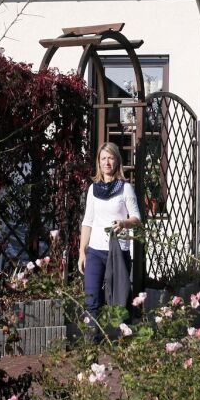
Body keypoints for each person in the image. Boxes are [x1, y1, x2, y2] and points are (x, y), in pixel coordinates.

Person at [78, 142, 140, 339]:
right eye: (103, 158)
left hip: (118, 252)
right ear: (99, 162)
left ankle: (125, 342)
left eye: (110, 158)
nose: (107, 162)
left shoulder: (126, 189)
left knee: (119, 299)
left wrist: (123, 223)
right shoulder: (93, 189)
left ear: (117, 161)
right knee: (91, 298)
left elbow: (136, 219)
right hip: (95, 251)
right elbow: (87, 222)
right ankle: (92, 343)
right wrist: (82, 251)